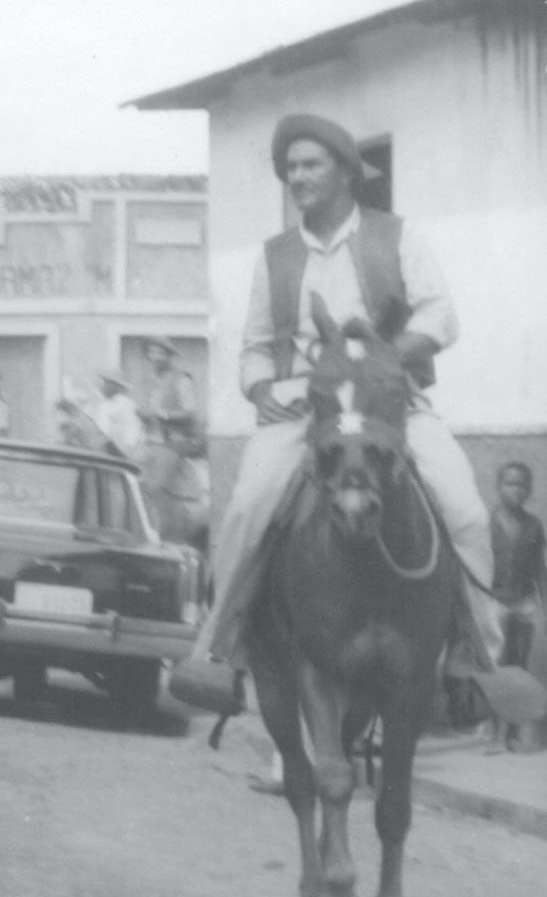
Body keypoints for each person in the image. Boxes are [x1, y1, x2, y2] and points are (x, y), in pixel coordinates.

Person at [185, 112, 503, 684]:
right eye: (290, 167)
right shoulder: (275, 256)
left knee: (467, 512)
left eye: (311, 164)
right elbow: (255, 347)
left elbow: (442, 316)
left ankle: (480, 654)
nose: (297, 176)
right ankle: (219, 648)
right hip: (307, 411)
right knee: (246, 508)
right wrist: (260, 389)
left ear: (346, 173)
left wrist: (384, 356)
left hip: (390, 407)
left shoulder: (398, 235)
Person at [487, 462, 545, 752]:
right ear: (499, 488)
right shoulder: (488, 523)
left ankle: (528, 731)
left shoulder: (534, 525)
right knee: (497, 660)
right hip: (495, 598)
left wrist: (542, 605)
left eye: (523, 485)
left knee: (538, 651)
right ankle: (498, 732)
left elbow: (539, 569)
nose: (517, 490)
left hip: (524, 600)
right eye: (511, 484)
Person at [91, 370, 145, 461]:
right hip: (105, 450)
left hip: (120, 452)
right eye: (104, 382)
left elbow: (134, 429)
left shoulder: (125, 404)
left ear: (117, 387)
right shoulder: (105, 404)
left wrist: (128, 450)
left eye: (107, 383)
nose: (103, 386)